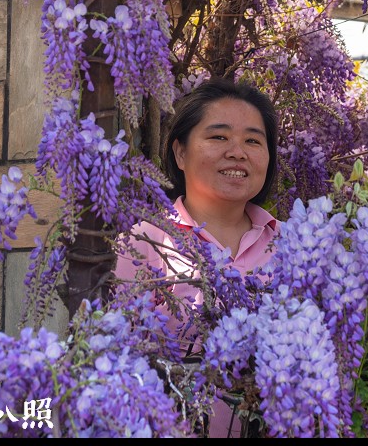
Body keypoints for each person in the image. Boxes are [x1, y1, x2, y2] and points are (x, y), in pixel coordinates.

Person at [112, 78, 280, 437]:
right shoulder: (144, 242)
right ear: (180, 153)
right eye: (218, 137)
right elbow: (119, 364)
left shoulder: (291, 245)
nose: (238, 152)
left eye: (253, 140)